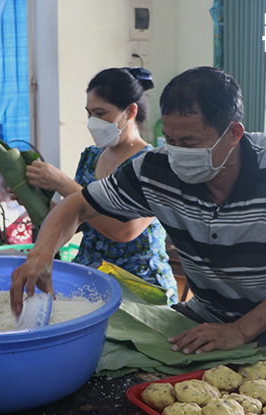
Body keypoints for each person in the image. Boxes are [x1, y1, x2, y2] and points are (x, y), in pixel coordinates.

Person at [10, 66, 266, 354]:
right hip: (210, 316)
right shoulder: (155, 168)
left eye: (190, 144)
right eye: (169, 140)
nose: (176, 154)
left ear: (233, 134)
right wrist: (41, 255)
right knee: (114, 361)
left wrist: (240, 331)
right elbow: (78, 206)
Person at [23, 67, 177, 302]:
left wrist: (64, 184)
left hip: (139, 285)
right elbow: (75, 221)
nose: (93, 122)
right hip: (90, 275)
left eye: (101, 113)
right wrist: (33, 197)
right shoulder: (90, 157)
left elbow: (124, 230)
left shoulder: (152, 164)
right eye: (89, 114)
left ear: (130, 111)